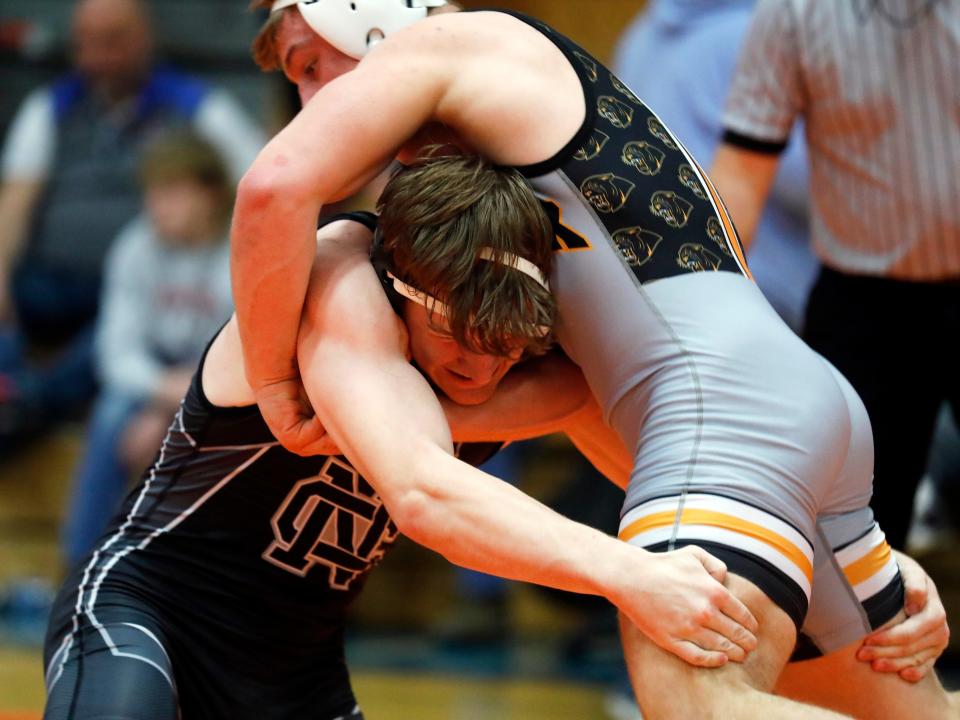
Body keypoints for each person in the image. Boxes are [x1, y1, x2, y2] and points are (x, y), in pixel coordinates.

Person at [234, 3, 958, 717]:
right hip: (790, 408)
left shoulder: (454, 45)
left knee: (695, 704)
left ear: (371, 16)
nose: (310, 99)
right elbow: (581, 394)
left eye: (309, 64)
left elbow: (275, 186)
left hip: (717, 408)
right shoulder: (501, 151)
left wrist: (275, 384)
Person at [44, 156, 631, 718]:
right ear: (398, 287)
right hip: (152, 612)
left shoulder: (523, 381)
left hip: (294, 673)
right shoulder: (332, 293)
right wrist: (633, 576)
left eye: (505, 338)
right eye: (455, 331)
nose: (481, 364)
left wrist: (419, 422)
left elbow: (577, 390)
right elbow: (427, 494)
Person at [709, 0, 960, 553]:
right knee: (858, 531)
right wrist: (699, 311)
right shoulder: (792, 13)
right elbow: (742, 177)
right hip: (866, 309)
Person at [0, 0, 264, 449]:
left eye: (114, 41)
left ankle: (28, 407)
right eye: (89, 44)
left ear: (145, 39)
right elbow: (15, 201)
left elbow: (265, 180)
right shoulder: (52, 107)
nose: (100, 57)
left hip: (147, 276)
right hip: (53, 283)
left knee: (110, 342)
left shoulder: (195, 105)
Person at [61, 129, 235, 568]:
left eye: (172, 191)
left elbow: (247, 350)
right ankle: (81, 565)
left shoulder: (243, 246)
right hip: (158, 378)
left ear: (210, 192)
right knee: (113, 414)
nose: (157, 206)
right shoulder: (136, 245)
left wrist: (175, 406)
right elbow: (115, 355)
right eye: (153, 193)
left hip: (224, 382)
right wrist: (166, 397)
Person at [612, 0, 817, 332]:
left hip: (660, 293)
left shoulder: (642, 33)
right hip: (763, 296)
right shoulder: (752, 36)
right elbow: (813, 184)